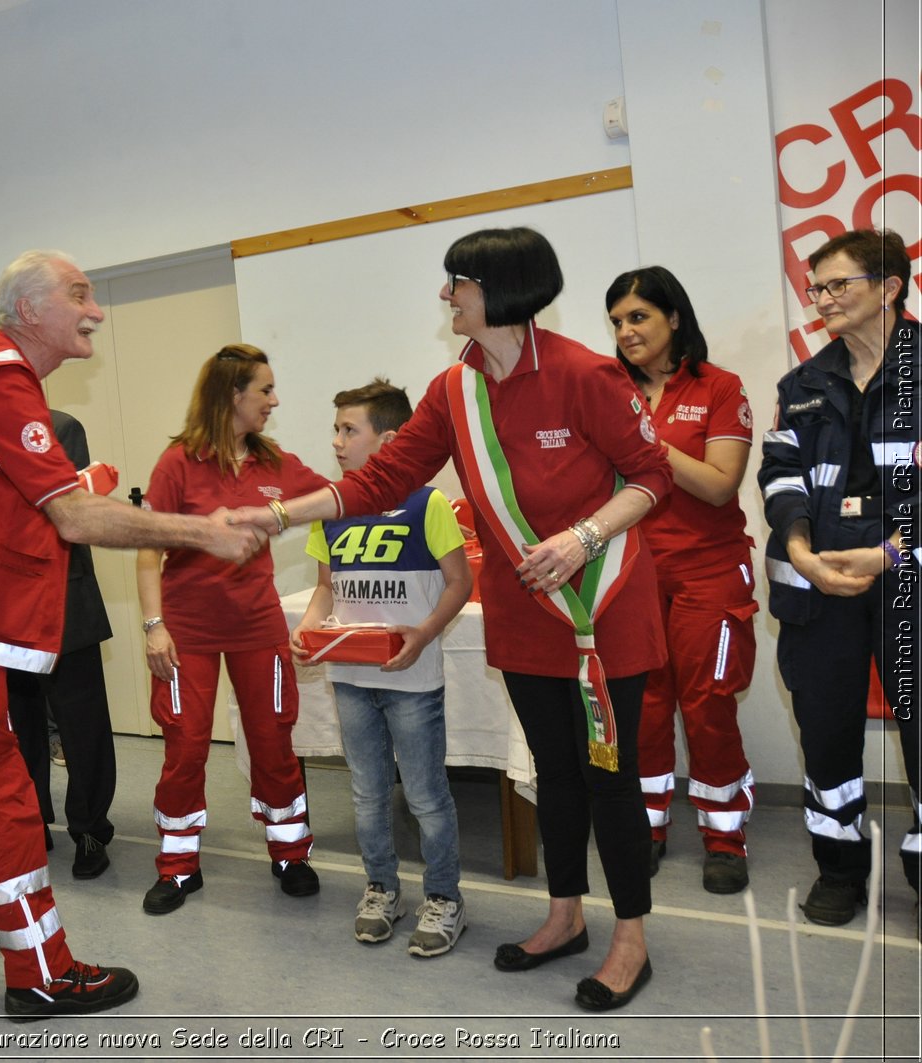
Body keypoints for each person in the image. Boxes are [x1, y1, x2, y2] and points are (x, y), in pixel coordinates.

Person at [232, 228, 670, 1011]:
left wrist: (582, 537)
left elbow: (651, 477)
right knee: (556, 777)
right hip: (524, 618)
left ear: (501, 290)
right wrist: (280, 516)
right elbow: (384, 477)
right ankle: (565, 915)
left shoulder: (585, 374)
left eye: (457, 282)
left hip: (602, 613)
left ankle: (630, 936)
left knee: (611, 781)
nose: (446, 295)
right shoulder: (452, 391)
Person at [0, 249, 264, 1021]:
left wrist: (75, 485)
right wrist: (201, 532)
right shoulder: (1, 377)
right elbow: (71, 517)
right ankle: (39, 970)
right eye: (80, 294)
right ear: (30, 311)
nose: (95, 310)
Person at [758, 228, 921, 928]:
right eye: (815, 286)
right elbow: (779, 476)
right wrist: (799, 549)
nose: (820, 298)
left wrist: (890, 552)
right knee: (825, 730)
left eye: (837, 284)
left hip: (908, 575)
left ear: (888, 288)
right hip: (818, 580)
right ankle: (838, 866)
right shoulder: (802, 384)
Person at [136, 343, 331, 914]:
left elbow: (337, 497)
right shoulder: (178, 463)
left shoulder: (275, 464)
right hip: (186, 631)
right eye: (265, 390)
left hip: (256, 627)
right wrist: (154, 627)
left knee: (273, 742)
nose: (275, 400)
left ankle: (290, 854)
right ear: (232, 395)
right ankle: (177, 867)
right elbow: (148, 552)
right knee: (186, 746)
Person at [290, 378, 473, 956]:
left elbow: (460, 582)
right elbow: (326, 589)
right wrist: (309, 628)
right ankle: (381, 889)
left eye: (351, 430)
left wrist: (423, 634)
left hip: (411, 681)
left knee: (425, 796)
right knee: (368, 794)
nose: (338, 442)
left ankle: (444, 898)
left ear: (389, 441)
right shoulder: (332, 508)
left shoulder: (428, 503)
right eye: (336, 430)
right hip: (350, 679)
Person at [605, 267, 758, 896]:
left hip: (709, 568)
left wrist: (646, 440)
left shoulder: (720, 387)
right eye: (616, 321)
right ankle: (649, 826)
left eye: (638, 316)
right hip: (632, 570)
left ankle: (724, 837)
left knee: (708, 702)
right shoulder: (609, 388)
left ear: (674, 318)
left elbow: (721, 485)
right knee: (641, 706)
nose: (625, 330)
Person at [6, 409, 119, 880]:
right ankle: (31, 825)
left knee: (82, 726)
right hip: (5, 609)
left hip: (63, 603)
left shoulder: (60, 428)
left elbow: (66, 514)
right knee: (20, 729)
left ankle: (90, 828)